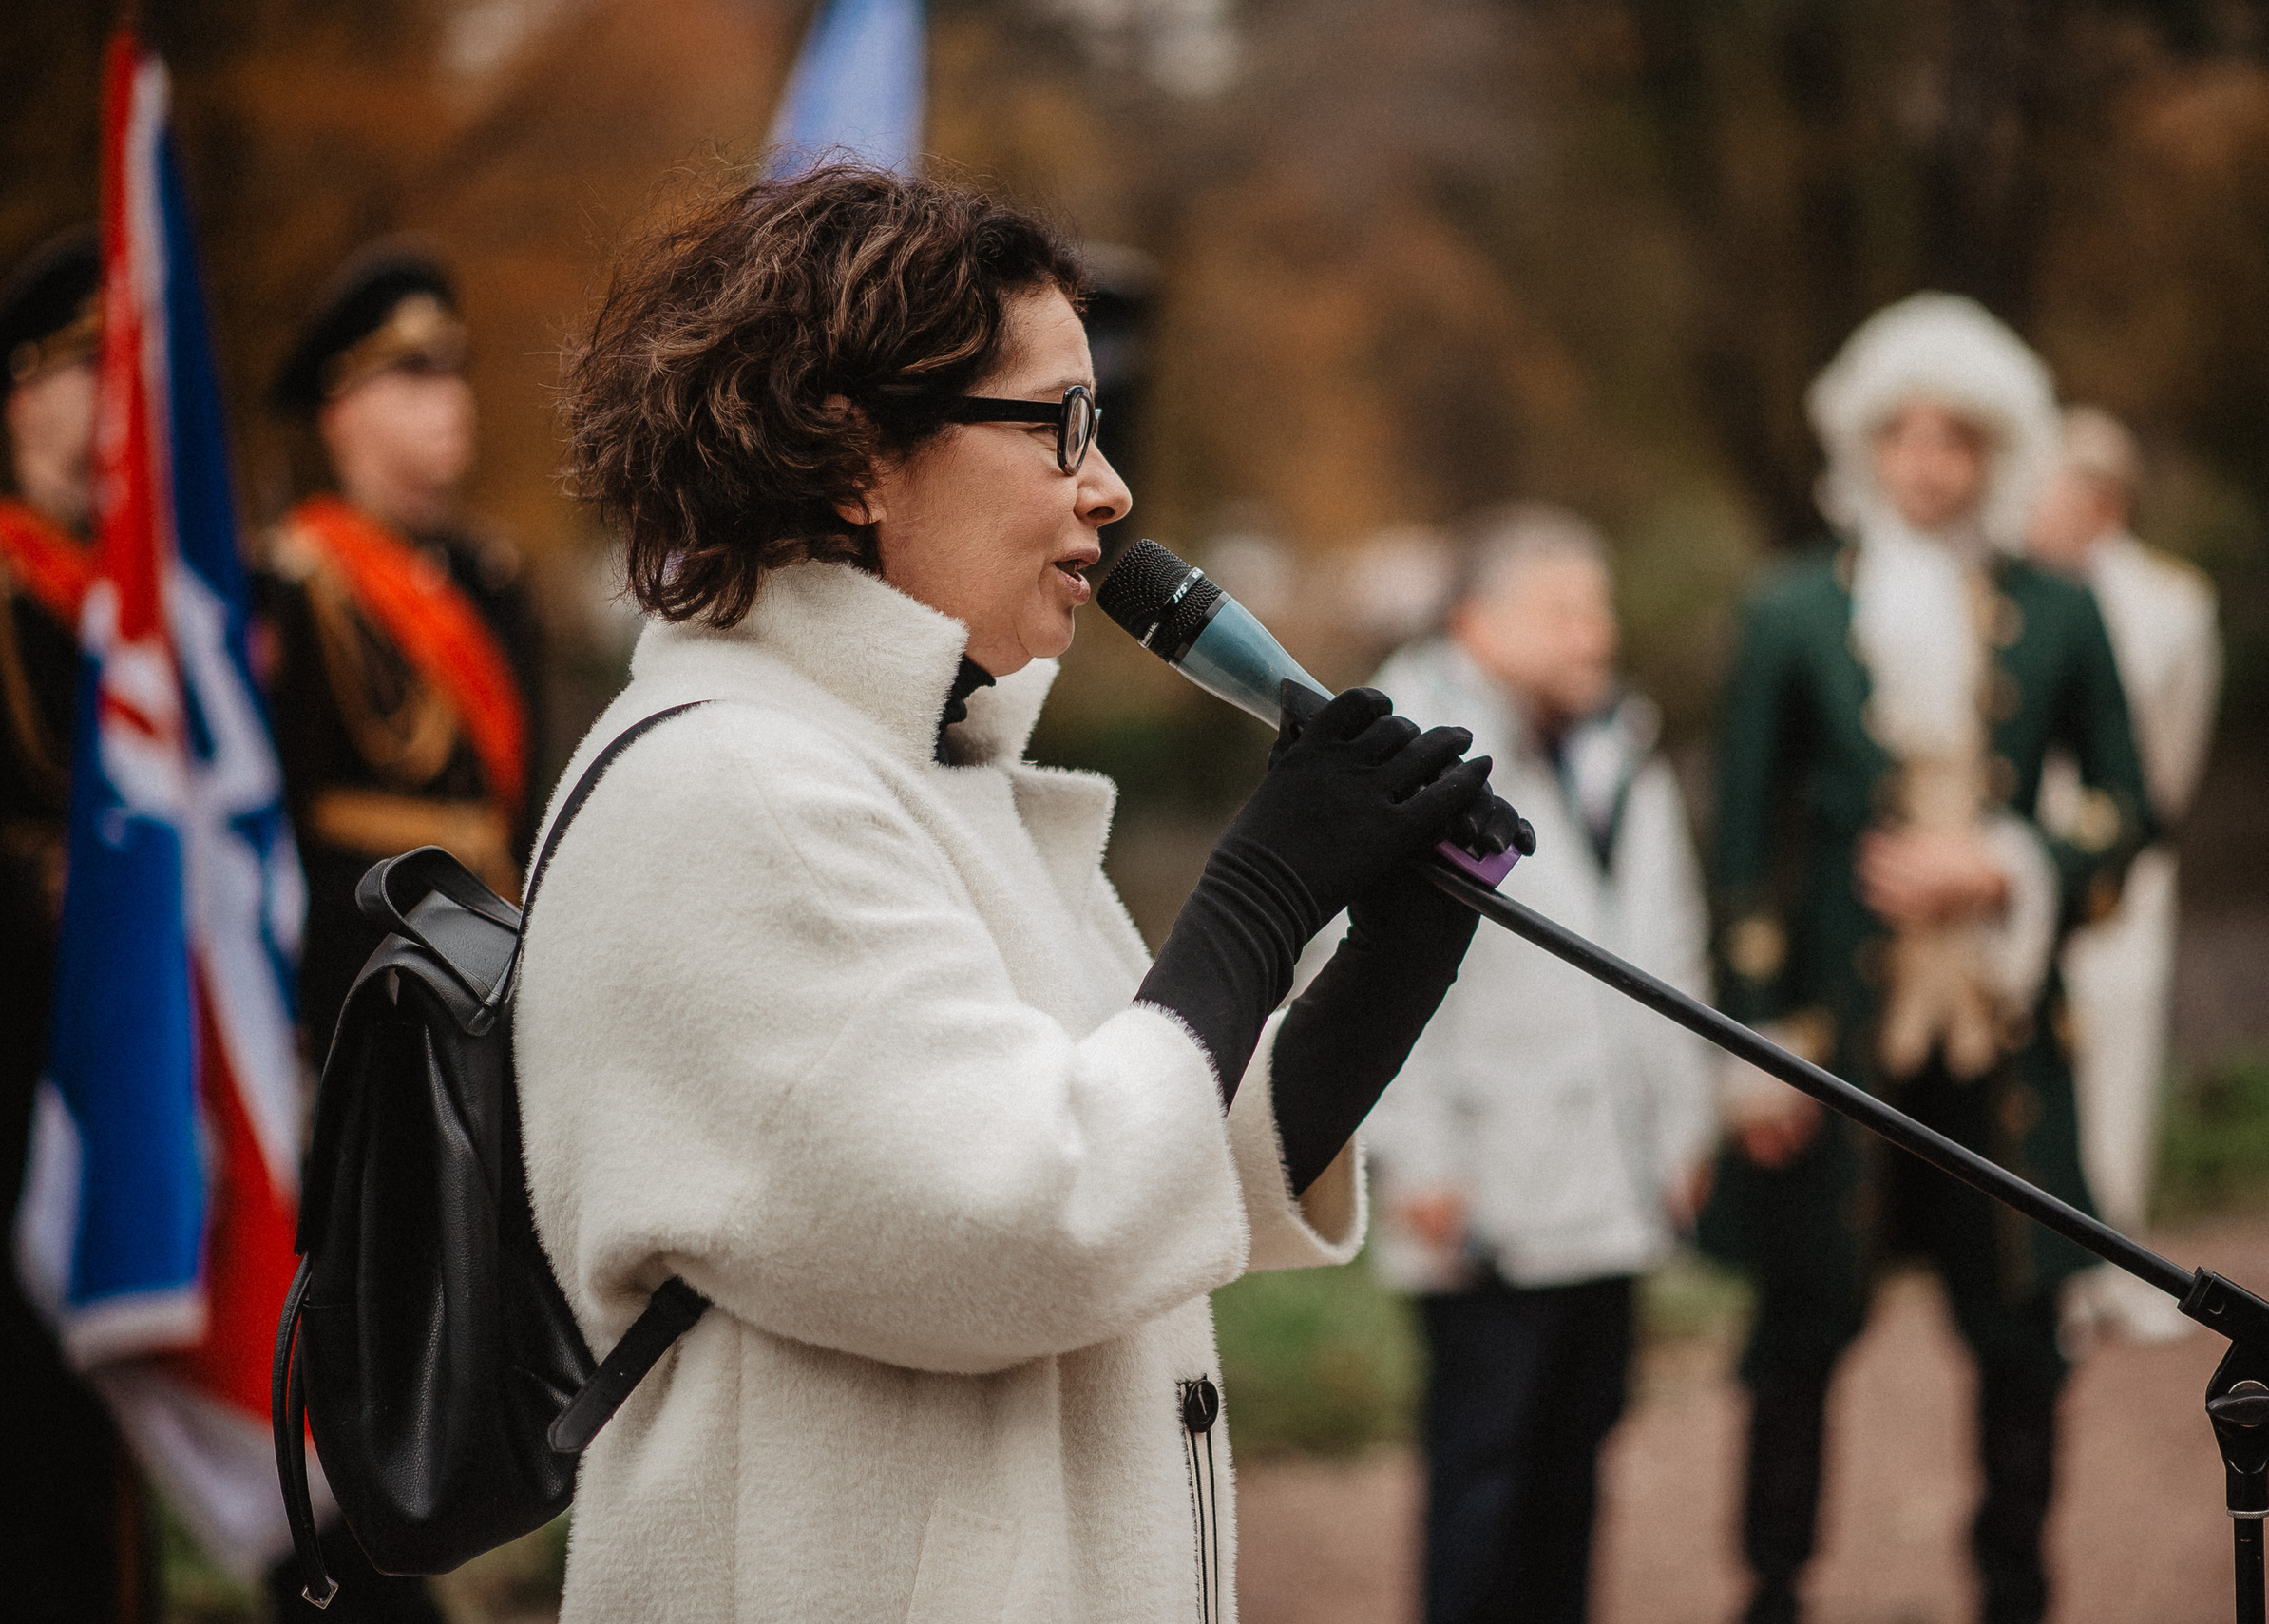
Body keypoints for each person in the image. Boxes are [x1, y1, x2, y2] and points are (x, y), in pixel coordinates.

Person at [522, 162, 1526, 1621]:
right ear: (855, 452)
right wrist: (1256, 887)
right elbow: (1039, 1215)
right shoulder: (734, 789)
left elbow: (1157, 1168)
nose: (1111, 490)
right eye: (1061, 427)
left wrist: (1392, 953)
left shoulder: (920, 766)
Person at [1703, 293, 2149, 1624]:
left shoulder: (2062, 610)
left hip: (2004, 1035)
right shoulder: (1787, 610)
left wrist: (2008, 866)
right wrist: (1759, 1036)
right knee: (1798, 1328)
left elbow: (2131, 814)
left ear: (1995, 453)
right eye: (1903, 434)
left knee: (2021, 1336)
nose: (1928, 462)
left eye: (1956, 438)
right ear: (1866, 443)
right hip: (1835, 1032)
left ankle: (2017, 1593)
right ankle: (1772, 1592)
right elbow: (1743, 838)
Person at [1350, 504, 1714, 1624]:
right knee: (1483, 1472)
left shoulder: (1620, 745)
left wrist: (1687, 1121)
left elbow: (1670, 938)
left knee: (1577, 1459)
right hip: (1487, 1183)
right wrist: (1417, 1159)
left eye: (1594, 608)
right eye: (1560, 611)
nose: (1591, 634)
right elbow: (1357, 973)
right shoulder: (1401, 754)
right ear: (1476, 621)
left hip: (1611, 1174)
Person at [257, 244, 544, 1063]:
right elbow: (277, 811)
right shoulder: (294, 583)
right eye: (414, 377)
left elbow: (524, 806)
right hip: (365, 971)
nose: (451, 400)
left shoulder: (494, 580)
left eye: (453, 372)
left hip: (491, 959)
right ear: (340, 409)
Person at [0, 226, 159, 1623]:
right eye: (82, 369)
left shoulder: (138, 600)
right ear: (19, 396)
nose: (117, 398)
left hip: (110, 1040)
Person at [2026, 408, 2219, 1343]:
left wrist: (2135, 838)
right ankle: (2049, 1269)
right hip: (2019, 867)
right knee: (2042, 1054)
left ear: (2100, 498)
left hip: (2127, 868)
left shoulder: (2175, 604)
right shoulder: (2008, 590)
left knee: (2126, 1049)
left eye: (2047, 482)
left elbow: (2175, 752)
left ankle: (2121, 1259)